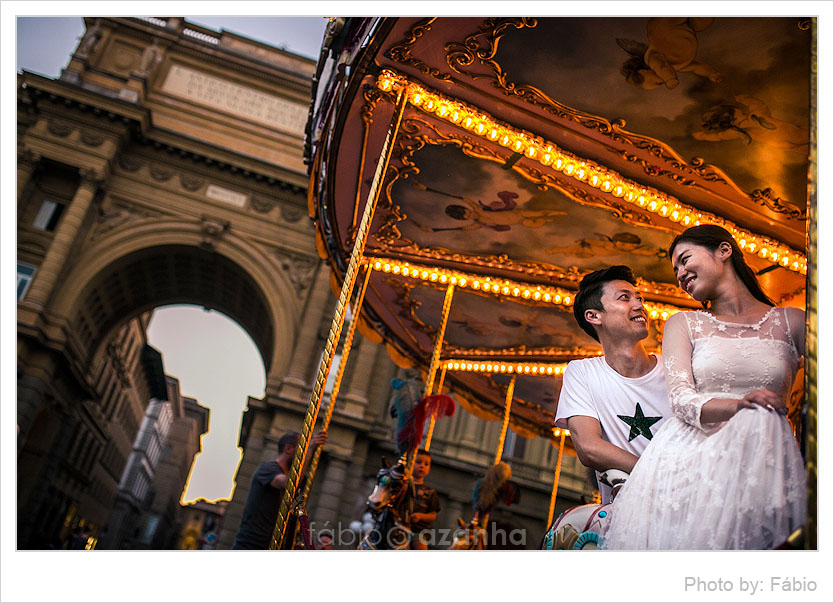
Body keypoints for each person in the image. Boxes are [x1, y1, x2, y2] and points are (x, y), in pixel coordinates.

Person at [602, 224, 805, 549]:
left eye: (685, 259)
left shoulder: (792, 323)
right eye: (676, 269)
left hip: (764, 459)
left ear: (723, 250)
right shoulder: (684, 324)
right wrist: (741, 405)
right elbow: (681, 399)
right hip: (694, 460)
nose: (680, 274)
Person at [555, 265, 672, 504]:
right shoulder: (583, 373)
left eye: (640, 298)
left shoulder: (674, 368)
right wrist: (659, 477)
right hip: (630, 508)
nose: (640, 305)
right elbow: (589, 447)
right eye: (624, 298)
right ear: (594, 316)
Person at [232, 429, 327, 549]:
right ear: (288, 449)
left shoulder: (296, 477)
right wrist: (310, 450)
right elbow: (287, 483)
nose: (303, 456)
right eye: (301, 450)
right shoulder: (267, 469)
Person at [409, 449, 441, 550]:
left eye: (426, 464)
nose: (422, 466)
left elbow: (432, 515)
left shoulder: (430, 492)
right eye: (418, 462)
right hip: (397, 526)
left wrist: (420, 516)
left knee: (420, 547)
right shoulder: (403, 486)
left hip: (417, 531)